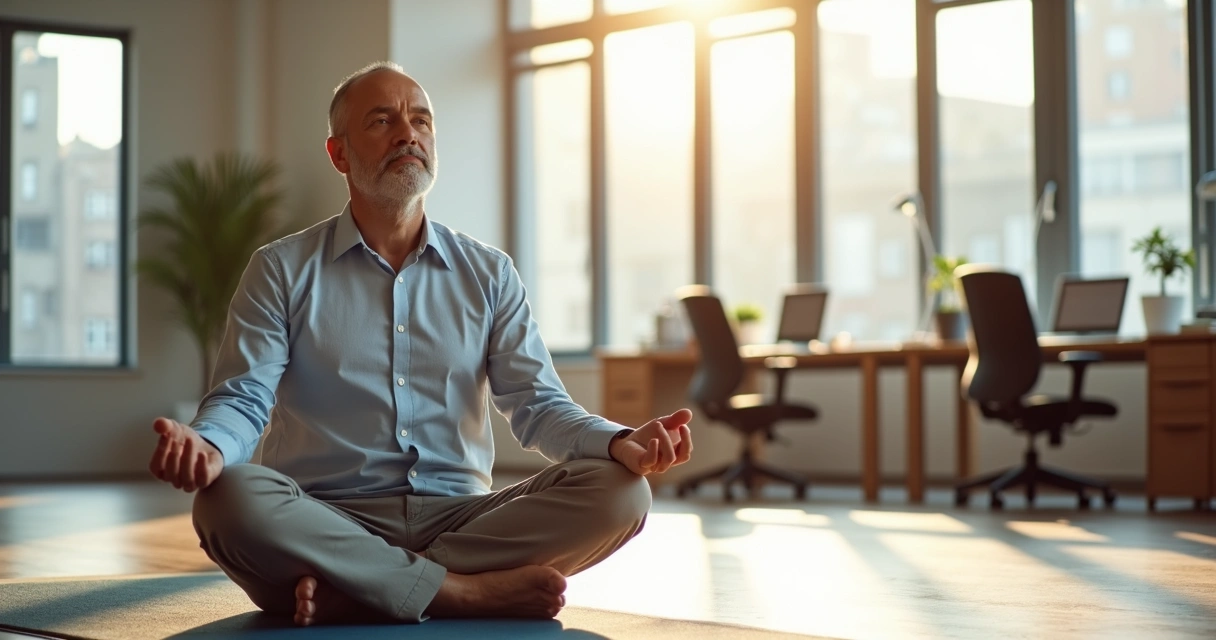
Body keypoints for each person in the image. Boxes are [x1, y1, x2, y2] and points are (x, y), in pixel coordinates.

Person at [146, 61, 694, 626]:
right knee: (226, 499)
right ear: (339, 155)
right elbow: (243, 397)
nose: (408, 133)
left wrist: (619, 441)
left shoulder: (489, 273)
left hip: (463, 519)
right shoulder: (281, 270)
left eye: (421, 121)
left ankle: (367, 589)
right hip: (326, 519)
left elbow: (538, 406)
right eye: (381, 121)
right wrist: (209, 446)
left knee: (623, 492)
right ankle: (461, 594)